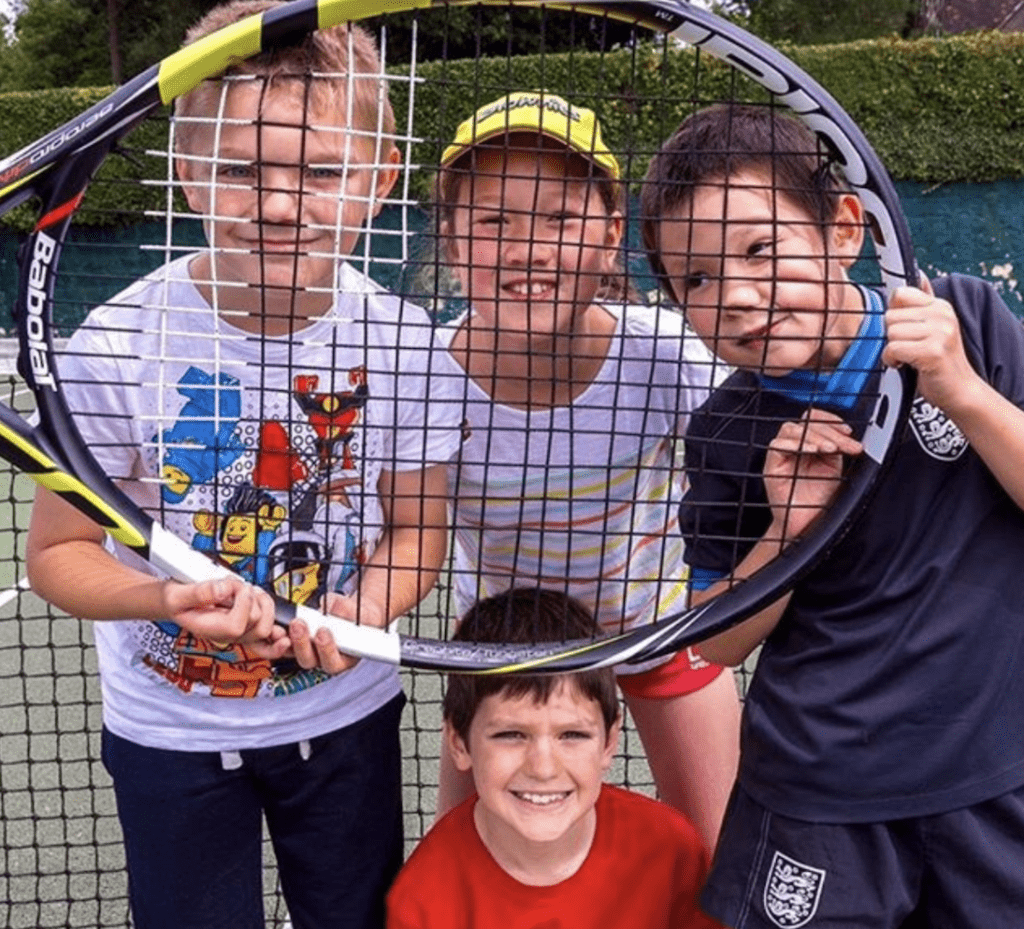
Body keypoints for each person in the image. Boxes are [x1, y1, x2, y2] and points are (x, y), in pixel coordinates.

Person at [25, 3, 462, 928]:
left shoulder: (410, 345)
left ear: (378, 180)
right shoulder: (115, 342)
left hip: (345, 722)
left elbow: (420, 529)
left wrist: (365, 612)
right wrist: (164, 598)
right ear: (186, 172)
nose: (275, 201)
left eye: (319, 171)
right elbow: (59, 553)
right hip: (168, 734)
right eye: (237, 169)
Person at [641, 103, 1024, 928]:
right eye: (697, 279)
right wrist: (790, 532)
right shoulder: (723, 431)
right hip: (815, 794)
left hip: (995, 771)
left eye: (760, 250)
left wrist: (961, 391)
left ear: (844, 229)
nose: (736, 296)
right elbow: (713, 639)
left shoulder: (964, 322)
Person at [427, 91, 742, 854]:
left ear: (607, 238)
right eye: (494, 222)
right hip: (501, 652)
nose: (527, 249)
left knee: (724, 857)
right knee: (463, 868)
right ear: (451, 241)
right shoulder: (423, 378)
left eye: (560, 221)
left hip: (664, 631)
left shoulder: (673, 355)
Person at [386, 586, 723, 929]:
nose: (543, 768)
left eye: (572, 735)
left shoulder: (671, 850)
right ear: (458, 742)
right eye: (510, 735)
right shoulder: (421, 901)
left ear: (609, 741)